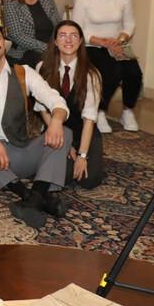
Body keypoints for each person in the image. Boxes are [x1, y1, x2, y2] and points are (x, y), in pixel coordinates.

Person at [0, 20, 71, 229]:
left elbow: (54, 99)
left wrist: (56, 120)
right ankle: (27, 194)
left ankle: (33, 198)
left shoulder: (24, 73)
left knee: (65, 131)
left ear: (4, 43)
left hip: (20, 152)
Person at [72, 0, 142, 133]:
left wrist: (120, 40)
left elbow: (130, 23)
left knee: (134, 72)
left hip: (118, 43)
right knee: (112, 71)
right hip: (93, 46)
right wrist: (101, 41)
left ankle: (127, 110)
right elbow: (77, 28)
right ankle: (100, 111)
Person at [37, 21, 104, 189]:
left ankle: (92, 158)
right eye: (62, 35)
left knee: (89, 180)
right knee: (64, 176)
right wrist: (64, 143)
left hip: (84, 131)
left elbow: (89, 119)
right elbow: (43, 110)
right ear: (55, 41)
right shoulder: (42, 68)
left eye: (74, 36)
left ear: (80, 41)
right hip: (56, 130)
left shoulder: (92, 74)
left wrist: (82, 155)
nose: (68, 40)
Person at [3, 0, 61, 67]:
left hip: (51, 49)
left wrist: (61, 44)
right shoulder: (11, 3)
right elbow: (18, 36)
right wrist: (48, 48)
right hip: (24, 53)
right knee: (50, 62)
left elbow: (58, 25)